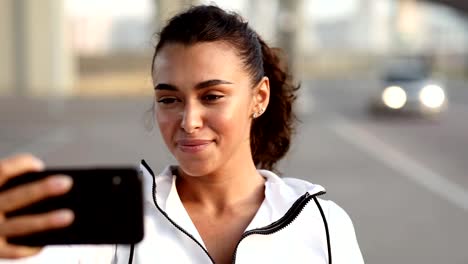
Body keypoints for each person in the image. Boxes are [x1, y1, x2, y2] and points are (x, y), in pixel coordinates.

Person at [0, 5, 364, 264]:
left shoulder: (321, 223)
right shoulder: (115, 218)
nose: (188, 120)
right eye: (169, 98)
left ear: (259, 97)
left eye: (212, 96)